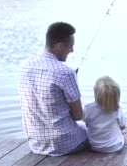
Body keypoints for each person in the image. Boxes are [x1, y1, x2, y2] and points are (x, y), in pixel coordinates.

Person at [18, 22, 87, 156]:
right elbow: (78, 116)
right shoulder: (65, 73)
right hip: (66, 144)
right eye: (70, 46)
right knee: (96, 129)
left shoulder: (24, 67)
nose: (71, 50)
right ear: (60, 46)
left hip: (36, 144)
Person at [84, 75, 127, 153]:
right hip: (115, 147)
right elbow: (122, 127)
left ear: (95, 92)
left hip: (94, 146)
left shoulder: (88, 108)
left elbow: (86, 124)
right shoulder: (118, 109)